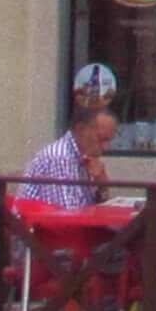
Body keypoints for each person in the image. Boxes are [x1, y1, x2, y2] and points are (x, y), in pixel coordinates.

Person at [16, 66, 121, 208]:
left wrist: (101, 186)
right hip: (39, 229)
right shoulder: (60, 158)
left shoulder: (84, 158)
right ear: (80, 129)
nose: (105, 147)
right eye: (101, 139)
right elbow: (69, 214)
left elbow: (90, 208)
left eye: (109, 140)